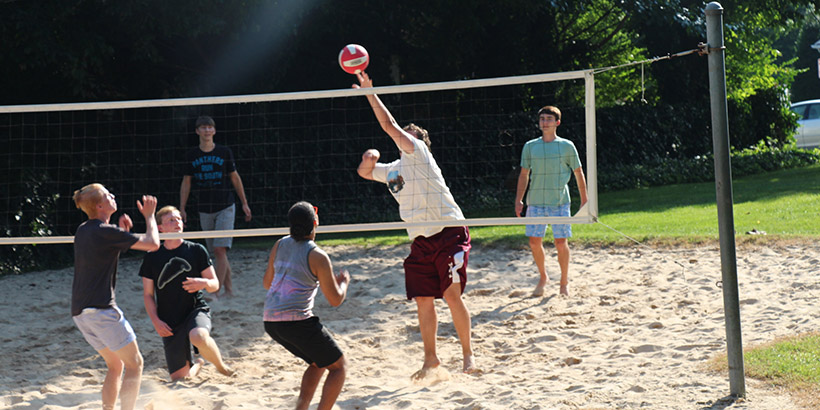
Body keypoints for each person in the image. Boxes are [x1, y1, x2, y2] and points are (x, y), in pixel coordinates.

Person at [354, 72, 477, 379]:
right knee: (423, 299)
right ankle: (431, 360)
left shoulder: (420, 154)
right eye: (403, 134)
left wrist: (371, 92)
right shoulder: (395, 169)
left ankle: (468, 356)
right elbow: (365, 173)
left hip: (448, 231)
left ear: (421, 142)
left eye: (409, 134)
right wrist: (369, 160)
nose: (403, 136)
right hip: (421, 241)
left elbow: (389, 126)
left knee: (451, 294)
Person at [71, 183, 160, 410]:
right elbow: (153, 244)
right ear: (100, 205)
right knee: (135, 364)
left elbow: (104, 249)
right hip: (101, 310)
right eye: (108, 195)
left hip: (80, 313)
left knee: (115, 365)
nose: (114, 195)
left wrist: (121, 232)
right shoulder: (106, 232)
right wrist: (150, 217)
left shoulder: (84, 230)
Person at [263, 201, 351, 410]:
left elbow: (267, 283)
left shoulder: (280, 244)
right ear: (315, 222)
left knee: (318, 362)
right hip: (296, 322)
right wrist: (343, 284)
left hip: (270, 320)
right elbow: (335, 300)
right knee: (339, 367)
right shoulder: (318, 256)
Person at [138, 206, 235, 381]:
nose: (177, 223)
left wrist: (203, 283)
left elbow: (215, 285)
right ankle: (198, 364)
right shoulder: (152, 256)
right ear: (160, 228)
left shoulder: (196, 250)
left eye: (179, 219)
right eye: (171, 220)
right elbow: (147, 295)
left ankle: (221, 366)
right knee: (179, 379)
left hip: (194, 310)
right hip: (169, 319)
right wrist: (156, 321)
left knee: (198, 336)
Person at [514, 105, 588, 297]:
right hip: (535, 202)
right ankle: (543, 277)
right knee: (533, 242)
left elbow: (578, 173)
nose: (544, 122)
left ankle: (564, 282)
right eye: (542, 119)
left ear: (557, 122)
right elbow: (524, 174)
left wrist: (584, 199)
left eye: (548, 118)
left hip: (559, 202)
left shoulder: (566, 146)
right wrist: (519, 199)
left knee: (560, 242)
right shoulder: (530, 146)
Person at [179, 115, 252, 298]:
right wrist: (182, 208)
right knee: (217, 253)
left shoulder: (224, 152)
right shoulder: (191, 155)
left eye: (210, 127)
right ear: (197, 131)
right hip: (204, 207)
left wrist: (244, 203)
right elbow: (186, 182)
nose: (207, 130)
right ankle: (229, 290)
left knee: (220, 250)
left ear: (214, 130)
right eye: (203, 127)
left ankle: (216, 291)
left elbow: (235, 177)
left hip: (226, 205)